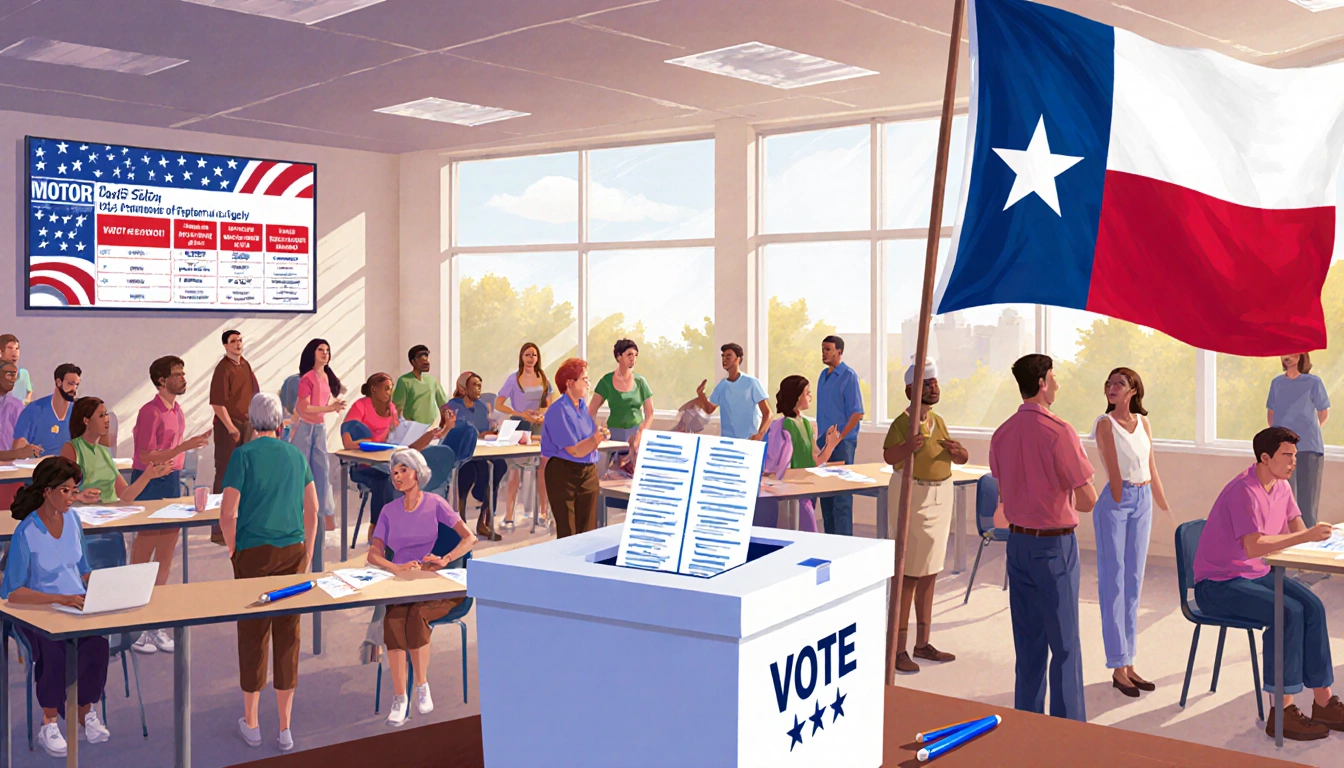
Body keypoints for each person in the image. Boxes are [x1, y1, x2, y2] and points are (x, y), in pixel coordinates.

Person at [1193, 427, 1344, 741]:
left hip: (1258, 575)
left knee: (1313, 607)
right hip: (1219, 584)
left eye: (1294, 456)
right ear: (1265, 458)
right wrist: (1306, 536)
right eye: (1286, 455)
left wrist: (1323, 541)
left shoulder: (1282, 487)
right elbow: (1255, 546)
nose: (1293, 462)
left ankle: (1324, 702)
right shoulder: (1242, 491)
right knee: (1287, 613)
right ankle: (1283, 713)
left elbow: (1299, 530)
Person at [989, 354, 1097, 722]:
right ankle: (1069, 731)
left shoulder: (1001, 433)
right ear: (1041, 383)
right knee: (1065, 646)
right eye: (1054, 377)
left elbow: (1004, 493)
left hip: (1017, 546)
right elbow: (1087, 499)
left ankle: (1027, 727)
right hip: (1054, 547)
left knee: (1029, 644)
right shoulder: (1059, 431)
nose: (1057, 384)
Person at [219, 393, 319, 753]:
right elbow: (313, 509)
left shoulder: (243, 456)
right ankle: (286, 727)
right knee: (288, 634)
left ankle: (252, 722)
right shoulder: (295, 454)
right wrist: (307, 552)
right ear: (281, 422)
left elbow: (228, 513)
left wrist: (233, 550)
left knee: (253, 634)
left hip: (253, 553)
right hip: (292, 551)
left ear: (250, 420)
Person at [1, 457, 112, 757]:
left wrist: (107, 583)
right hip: (39, 611)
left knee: (97, 645)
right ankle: (48, 721)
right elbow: (13, 592)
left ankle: (84, 712)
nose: (72, 497)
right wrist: (59, 599)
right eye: (66, 491)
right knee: (54, 650)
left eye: (75, 491)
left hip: (74, 605)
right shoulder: (27, 532)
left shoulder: (74, 520)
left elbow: (83, 568)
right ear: (47, 490)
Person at [366, 448, 476, 727]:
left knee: (415, 616)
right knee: (393, 620)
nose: (398, 476)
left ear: (417, 472)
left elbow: (469, 538)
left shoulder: (436, 503)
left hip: (433, 582)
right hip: (403, 582)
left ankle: (422, 686)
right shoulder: (389, 511)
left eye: (403, 470)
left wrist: (446, 559)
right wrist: (396, 568)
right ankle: (400, 697)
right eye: (394, 472)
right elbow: (373, 554)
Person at [1091, 367, 1169, 696]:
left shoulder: (1144, 423)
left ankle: (1130, 663)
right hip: (1116, 502)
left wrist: (1164, 506)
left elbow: (1151, 466)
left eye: (1119, 384)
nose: (1111, 388)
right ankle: (1117, 666)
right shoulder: (1104, 424)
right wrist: (1124, 500)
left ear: (1133, 390)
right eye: (1108, 383)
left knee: (1134, 582)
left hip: (1143, 500)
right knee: (1114, 582)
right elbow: (1113, 470)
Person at [885, 359, 967, 673]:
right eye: (928, 384)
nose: (935, 388)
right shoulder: (900, 423)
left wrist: (959, 453)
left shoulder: (939, 421)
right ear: (911, 390)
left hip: (940, 496)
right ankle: (898, 648)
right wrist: (907, 447)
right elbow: (890, 457)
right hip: (912, 495)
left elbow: (960, 456)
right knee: (908, 573)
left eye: (935, 383)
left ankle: (923, 643)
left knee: (931, 570)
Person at [129, 356, 212, 654]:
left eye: (183, 373)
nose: (183, 378)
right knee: (143, 553)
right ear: (162, 380)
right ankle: (135, 627)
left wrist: (180, 452)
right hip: (150, 482)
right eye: (177, 374)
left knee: (166, 554)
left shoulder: (177, 410)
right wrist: (186, 446)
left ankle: (155, 624)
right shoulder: (150, 412)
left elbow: (169, 456)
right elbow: (147, 454)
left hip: (171, 481)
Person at [342, 373, 446, 543]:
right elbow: (347, 442)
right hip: (363, 465)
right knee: (385, 480)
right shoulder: (361, 406)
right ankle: (377, 528)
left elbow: (397, 435)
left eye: (391, 389)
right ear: (374, 389)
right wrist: (367, 442)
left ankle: (405, 528)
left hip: (387, 461)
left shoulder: (391, 408)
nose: (390, 393)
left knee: (405, 477)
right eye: (386, 389)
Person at [753, 375, 838, 532]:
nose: (810, 397)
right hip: (793, 491)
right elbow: (773, 466)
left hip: (807, 486)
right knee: (806, 531)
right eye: (807, 393)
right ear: (797, 396)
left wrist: (830, 445)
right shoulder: (782, 425)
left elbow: (815, 461)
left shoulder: (806, 424)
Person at [541, 359, 609, 538]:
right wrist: (596, 438)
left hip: (587, 473)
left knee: (587, 533)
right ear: (570, 383)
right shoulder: (558, 410)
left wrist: (599, 434)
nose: (588, 383)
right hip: (564, 474)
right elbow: (575, 450)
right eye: (584, 379)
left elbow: (589, 438)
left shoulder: (582, 407)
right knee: (568, 534)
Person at [60, 397, 173, 504]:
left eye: (106, 414)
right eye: (101, 415)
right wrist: (79, 496)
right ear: (86, 420)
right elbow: (61, 492)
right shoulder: (72, 448)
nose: (107, 419)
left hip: (111, 513)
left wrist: (148, 475)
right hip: (87, 516)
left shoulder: (104, 452)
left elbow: (125, 495)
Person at [1267, 353, 1329, 530]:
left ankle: (1307, 544)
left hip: (1309, 448)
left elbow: (1323, 412)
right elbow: (1271, 416)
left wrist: (1309, 431)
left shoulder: (1313, 382)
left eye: (1292, 353)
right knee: (1284, 500)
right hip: (1282, 451)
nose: (1287, 356)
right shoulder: (1277, 383)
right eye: (1284, 353)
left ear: (1302, 356)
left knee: (1307, 504)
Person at [292, 339, 346, 541]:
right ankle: (298, 519)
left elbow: (322, 403)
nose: (325, 353)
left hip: (319, 429)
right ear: (312, 353)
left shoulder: (325, 377)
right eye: (320, 350)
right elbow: (303, 408)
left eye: (327, 350)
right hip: (305, 429)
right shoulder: (307, 378)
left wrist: (334, 405)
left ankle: (323, 517)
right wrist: (329, 408)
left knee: (322, 473)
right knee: (301, 473)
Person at [210, 330, 259, 545]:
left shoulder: (245, 365)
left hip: (246, 424)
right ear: (225, 345)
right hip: (227, 429)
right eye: (233, 341)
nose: (238, 344)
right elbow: (217, 403)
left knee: (245, 475)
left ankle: (242, 526)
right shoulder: (222, 369)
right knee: (225, 474)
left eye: (240, 340)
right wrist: (230, 427)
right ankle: (219, 531)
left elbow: (255, 395)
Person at [497, 342, 554, 525]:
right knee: (514, 471)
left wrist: (540, 415)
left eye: (534, 355)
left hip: (540, 427)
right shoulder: (513, 379)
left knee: (543, 470)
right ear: (522, 357)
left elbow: (548, 404)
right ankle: (509, 515)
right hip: (519, 426)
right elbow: (499, 404)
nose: (531, 358)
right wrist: (521, 414)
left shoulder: (543, 378)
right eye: (528, 355)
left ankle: (543, 513)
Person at [448, 372, 507, 540]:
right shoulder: (452, 406)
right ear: (463, 387)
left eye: (480, 384)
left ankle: (484, 521)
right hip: (460, 453)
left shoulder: (481, 407)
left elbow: (481, 431)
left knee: (499, 465)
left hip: (480, 452)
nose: (478, 388)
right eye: (474, 384)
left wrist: (491, 432)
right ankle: (461, 522)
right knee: (469, 471)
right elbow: (453, 431)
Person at [816, 335, 864, 535]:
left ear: (839, 352)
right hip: (823, 441)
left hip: (842, 443)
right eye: (823, 349)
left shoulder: (848, 376)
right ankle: (830, 540)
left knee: (841, 497)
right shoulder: (822, 376)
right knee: (825, 494)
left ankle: (844, 541)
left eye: (828, 349)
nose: (824, 353)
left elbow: (857, 413)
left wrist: (840, 437)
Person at [694, 343, 770, 441]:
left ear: (738, 359)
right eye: (723, 356)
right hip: (727, 442)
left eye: (728, 356)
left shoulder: (751, 383)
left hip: (749, 441)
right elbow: (709, 409)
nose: (724, 359)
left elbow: (767, 413)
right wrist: (701, 395)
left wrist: (760, 434)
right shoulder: (722, 386)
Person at [590, 339, 653, 451]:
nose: (633, 358)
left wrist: (641, 433)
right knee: (612, 466)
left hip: (636, 433)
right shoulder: (606, 381)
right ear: (619, 356)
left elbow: (650, 413)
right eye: (629, 354)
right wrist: (596, 431)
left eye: (635, 355)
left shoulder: (640, 382)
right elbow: (591, 410)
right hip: (614, 433)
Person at [12, 364, 81, 458]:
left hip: (71, 469)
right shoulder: (34, 409)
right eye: (70, 383)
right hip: (40, 469)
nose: (74, 389)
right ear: (58, 382)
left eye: (76, 385)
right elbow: (18, 445)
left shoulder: (79, 411)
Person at [393, 345, 449, 428]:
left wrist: (445, 424)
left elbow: (443, 404)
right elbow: (397, 408)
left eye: (426, 356)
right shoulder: (404, 381)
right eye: (421, 357)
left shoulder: (432, 380)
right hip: (411, 427)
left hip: (431, 427)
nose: (426, 361)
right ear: (413, 362)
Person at [0, 334, 31, 403]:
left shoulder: (23, 373)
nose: (14, 352)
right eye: (10, 348)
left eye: (17, 348)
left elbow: (29, 391)